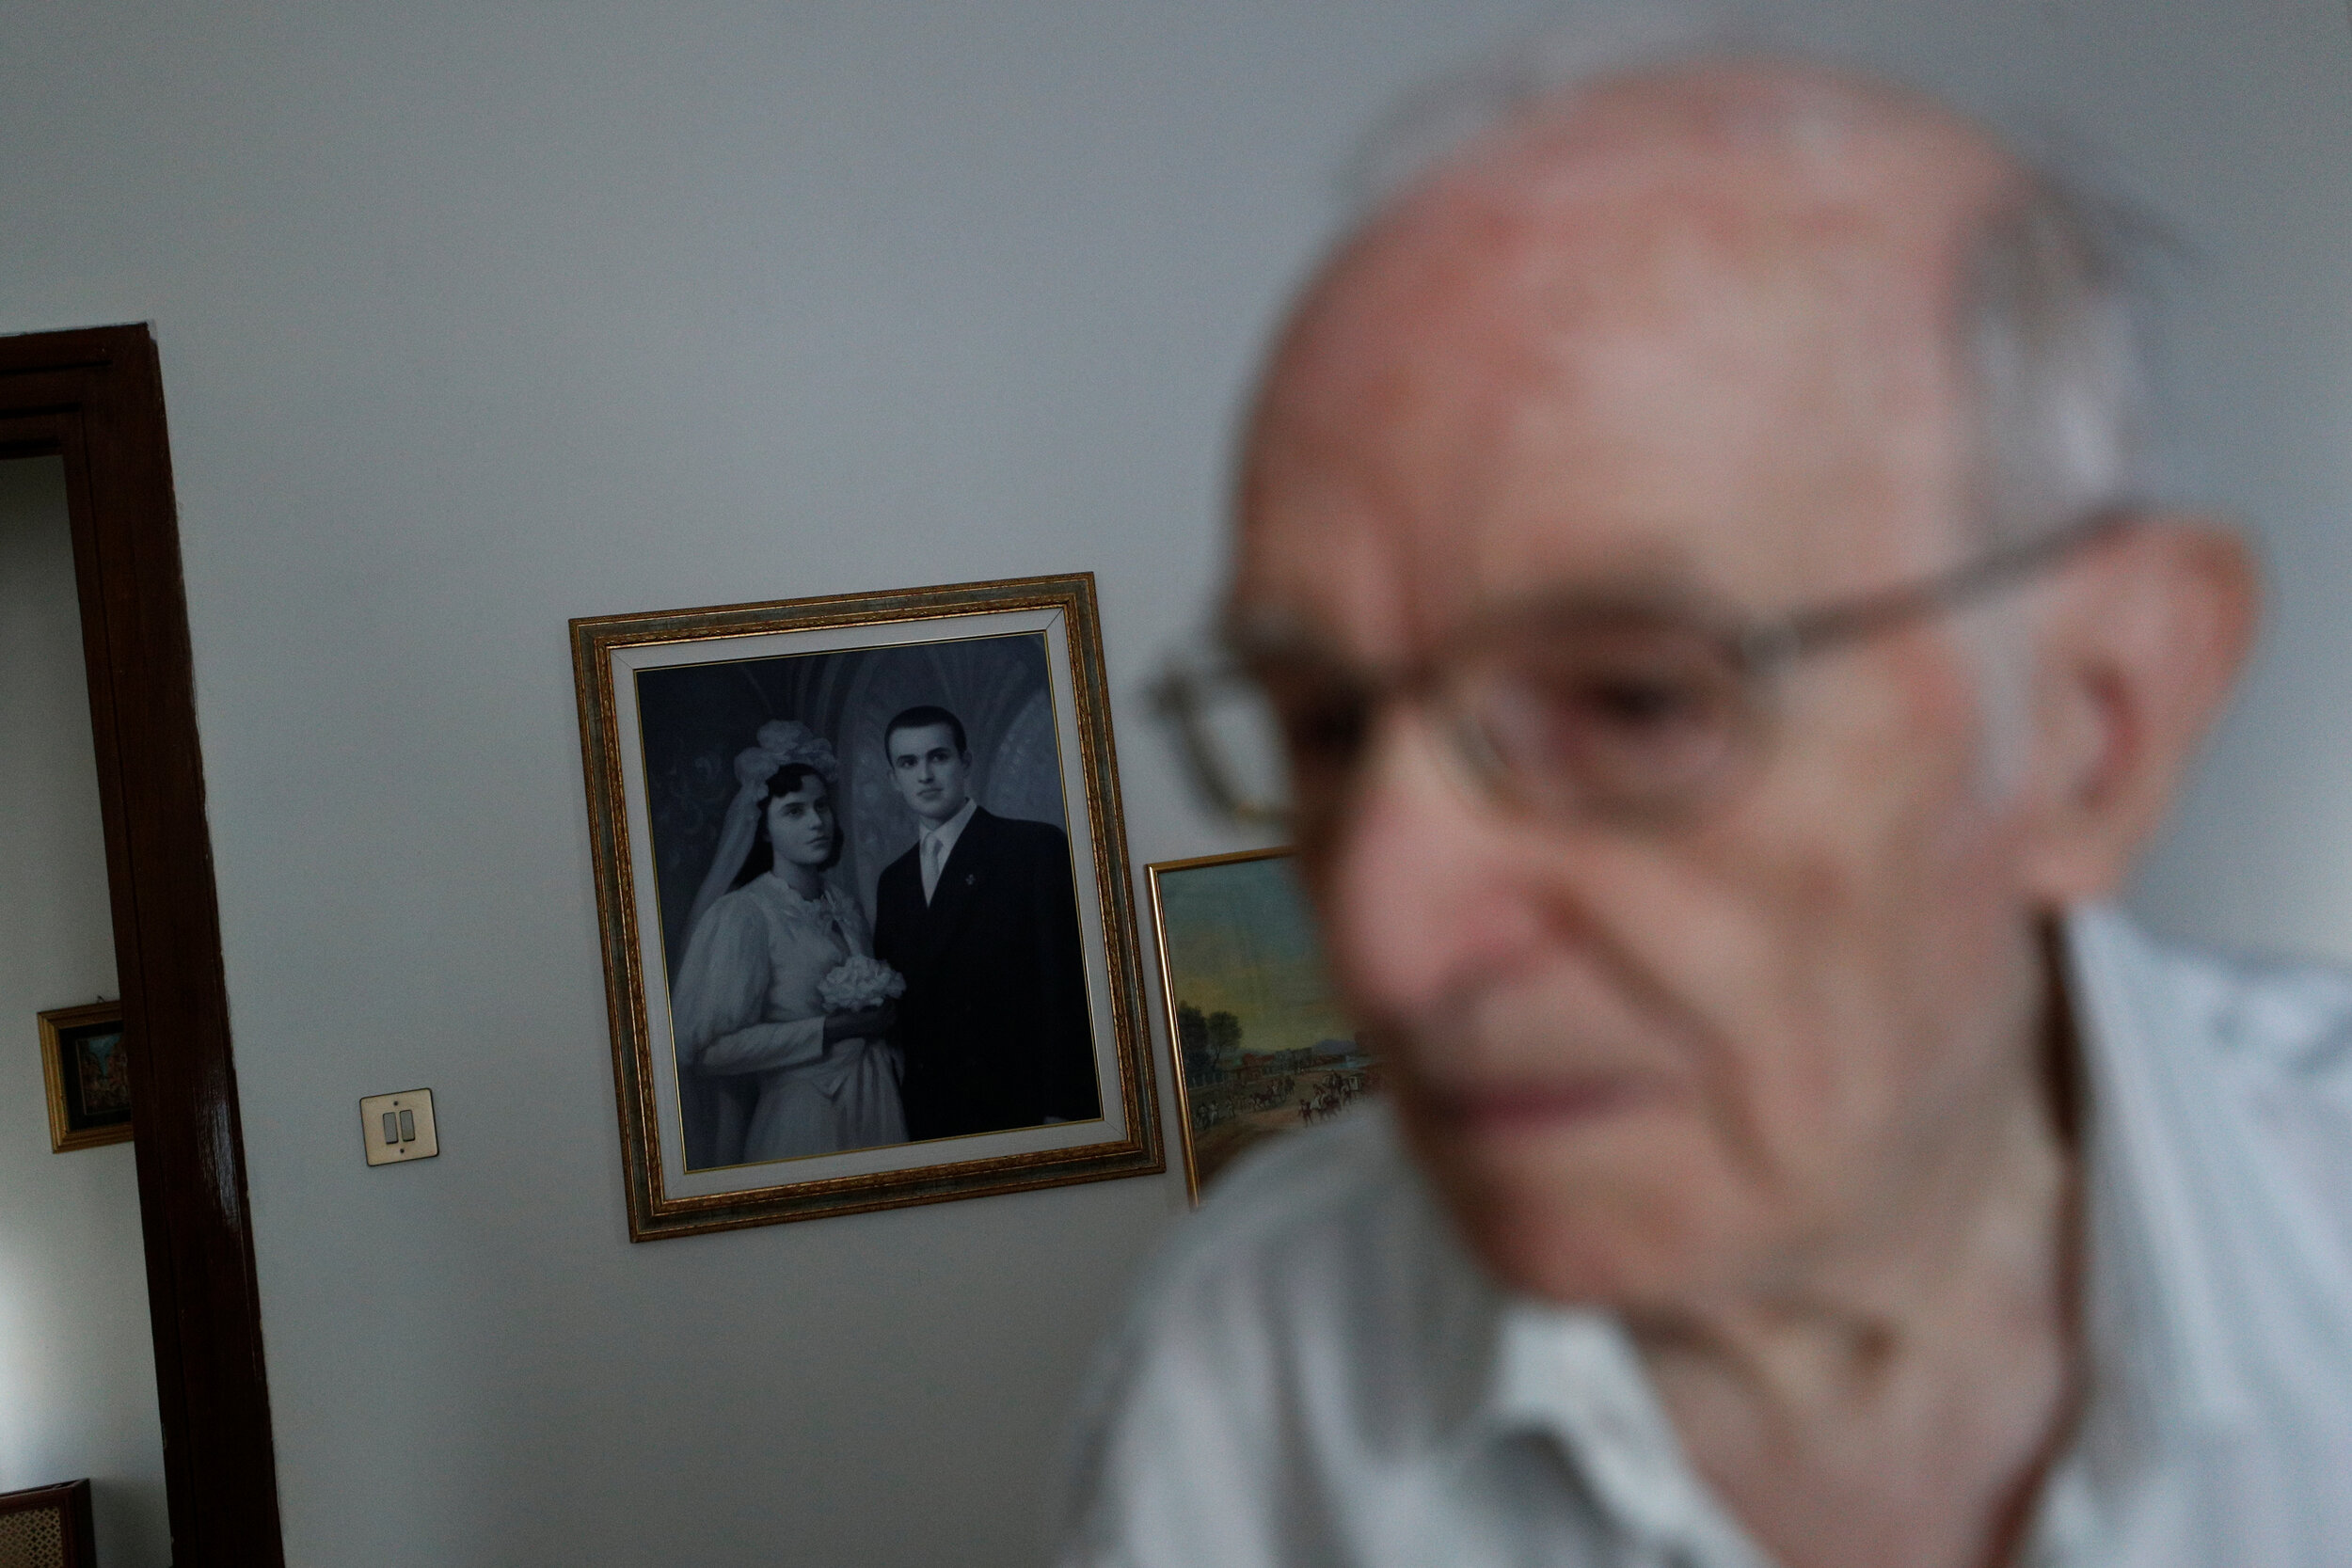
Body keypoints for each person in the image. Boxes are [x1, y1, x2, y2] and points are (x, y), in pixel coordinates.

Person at [1060, 47, 2352, 1568]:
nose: (1383, 941)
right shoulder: (1243, 1388)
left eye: (1633, 701)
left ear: (2099, 727)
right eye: (1328, 724)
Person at [669, 732, 904, 1166]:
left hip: (876, 1107)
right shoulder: (744, 915)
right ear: (763, 829)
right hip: (803, 1121)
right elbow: (704, 1051)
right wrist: (828, 1030)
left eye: (821, 806)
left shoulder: (844, 905)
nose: (816, 822)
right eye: (793, 812)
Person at [869, 704, 1102, 1141]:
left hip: (1021, 1104)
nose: (924, 775)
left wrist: (1063, 1108)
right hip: (931, 1114)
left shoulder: (1032, 848)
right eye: (908, 762)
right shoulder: (893, 881)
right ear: (892, 779)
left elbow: (1065, 988)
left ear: (965, 762)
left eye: (938, 757)